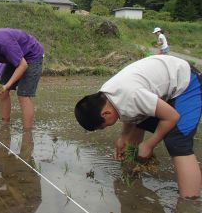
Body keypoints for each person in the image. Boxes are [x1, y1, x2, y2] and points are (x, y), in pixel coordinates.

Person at [74, 55, 202, 199]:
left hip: (186, 82)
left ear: (106, 113)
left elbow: (172, 117)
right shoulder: (106, 96)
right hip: (160, 86)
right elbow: (129, 112)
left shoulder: (132, 95)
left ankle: (189, 202)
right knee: (137, 125)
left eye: (103, 127)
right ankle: (132, 173)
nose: (106, 128)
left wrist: (149, 144)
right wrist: (123, 137)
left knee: (177, 142)